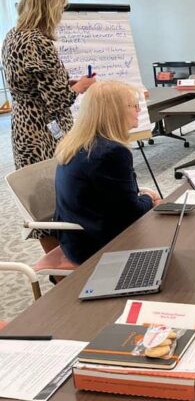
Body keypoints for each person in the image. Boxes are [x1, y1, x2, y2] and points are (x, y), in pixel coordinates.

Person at [54, 81, 161, 265]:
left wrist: (141, 195)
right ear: (115, 111)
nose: (139, 111)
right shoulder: (111, 152)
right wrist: (150, 199)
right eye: (134, 106)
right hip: (96, 245)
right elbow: (131, 215)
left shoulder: (80, 142)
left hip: (75, 237)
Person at [2, 0, 95, 170]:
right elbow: (59, 100)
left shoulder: (12, 35)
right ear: (48, 8)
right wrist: (80, 87)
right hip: (44, 126)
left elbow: (32, 83)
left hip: (23, 121)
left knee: (30, 180)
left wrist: (68, 83)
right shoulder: (38, 41)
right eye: (60, 7)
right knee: (53, 181)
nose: (61, 13)